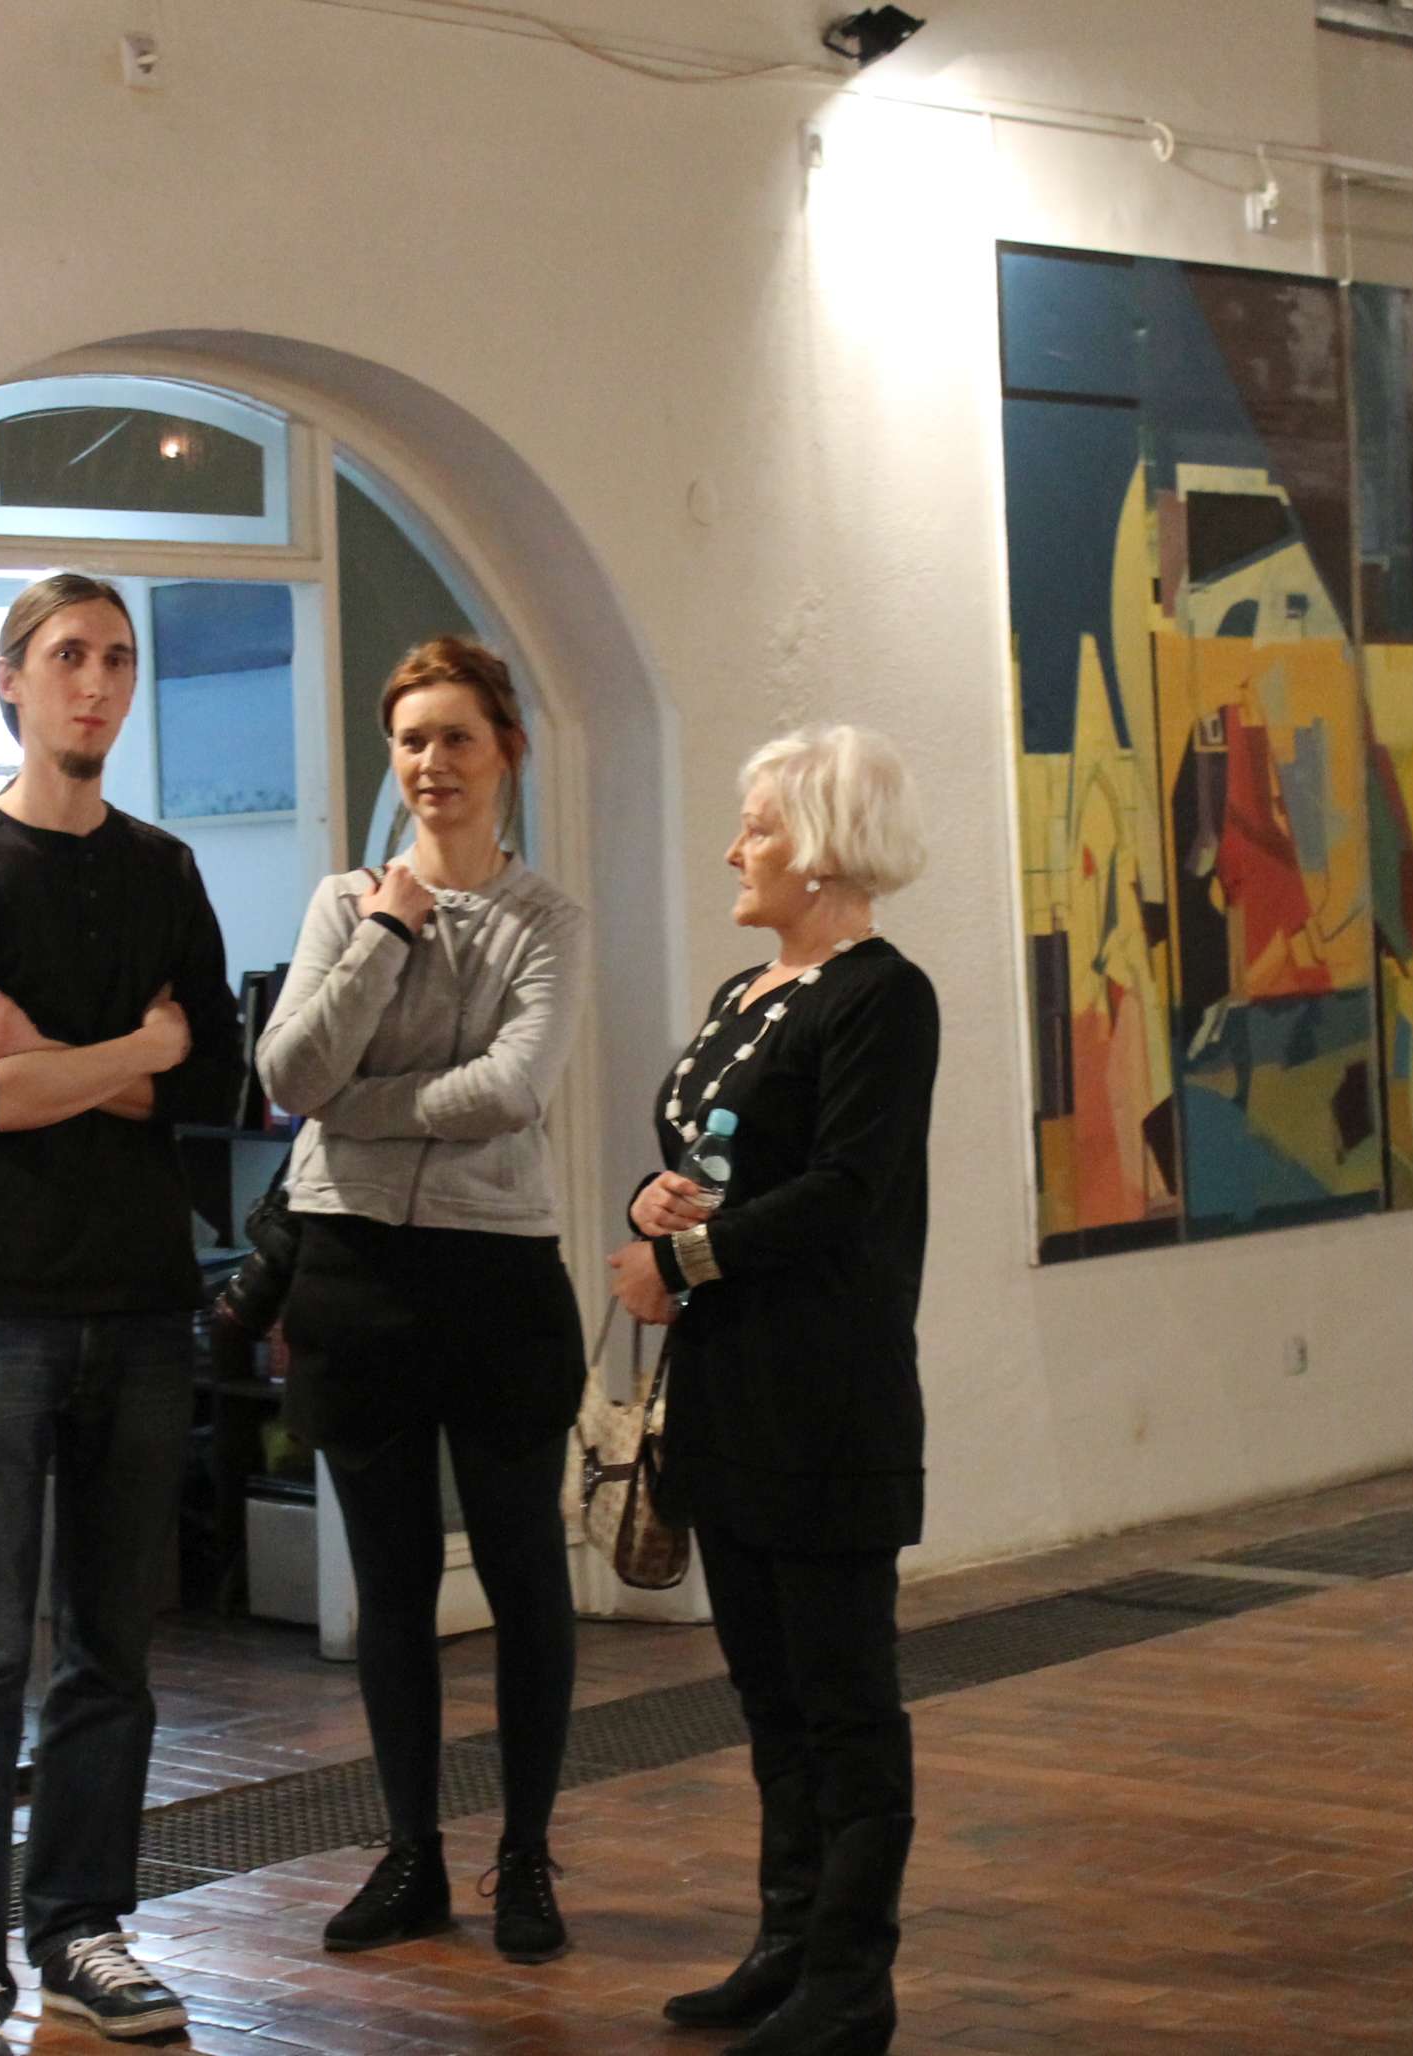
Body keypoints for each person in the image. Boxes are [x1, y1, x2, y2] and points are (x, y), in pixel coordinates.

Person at [0, 572, 245, 2054]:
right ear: (10, 680)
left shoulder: (164, 870)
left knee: (112, 1649)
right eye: (68, 657)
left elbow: (214, 1082)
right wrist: (127, 1051)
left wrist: (45, 1049)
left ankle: (83, 1928)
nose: (96, 684)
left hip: (143, 1302)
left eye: (118, 659)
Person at [257, 636, 591, 1967]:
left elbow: (514, 1088)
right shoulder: (346, 905)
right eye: (410, 741)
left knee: (522, 1574)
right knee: (391, 1587)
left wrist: (361, 1110)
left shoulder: (546, 919)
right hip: (352, 1275)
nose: (431, 764)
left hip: (497, 1272)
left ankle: (527, 1858)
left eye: (456, 737)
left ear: (507, 749)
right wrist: (387, 936)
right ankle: (411, 1857)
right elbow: (290, 1075)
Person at [605, 725, 937, 2056]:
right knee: (769, 1700)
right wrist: (656, 1200)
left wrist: (681, 1257)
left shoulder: (883, 998)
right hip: (728, 1389)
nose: (734, 849)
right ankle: (787, 1946)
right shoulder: (747, 991)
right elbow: (707, 1157)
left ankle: (850, 1984)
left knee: (845, 1706)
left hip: (826, 1399)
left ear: (820, 846)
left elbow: (848, 1191)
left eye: (756, 827)